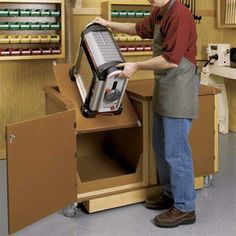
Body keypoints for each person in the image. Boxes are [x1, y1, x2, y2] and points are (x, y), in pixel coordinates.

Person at [93, 0, 200, 228]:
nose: (150, 0)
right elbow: (138, 29)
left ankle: (185, 208)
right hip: (165, 86)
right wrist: (107, 23)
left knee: (176, 151)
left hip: (179, 86)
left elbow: (171, 61)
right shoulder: (160, 11)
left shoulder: (179, 14)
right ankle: (171, 195)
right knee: (161, 146)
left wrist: (137, 66)